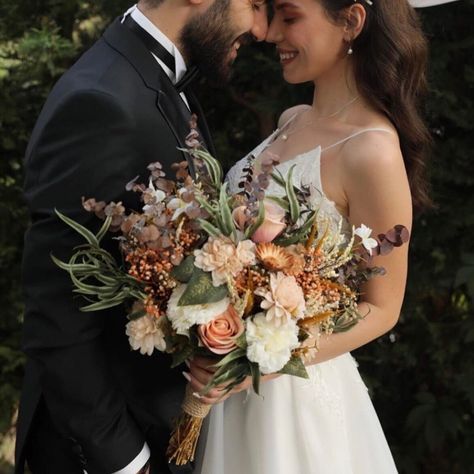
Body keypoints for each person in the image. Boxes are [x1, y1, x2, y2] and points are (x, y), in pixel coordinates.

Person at [15, 1, 268, 473]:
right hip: (106, 448)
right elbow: (56, 315)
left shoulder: (156, 75)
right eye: (253, 4)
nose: (261, 27)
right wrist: (127, 461)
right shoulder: (98, 99)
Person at [188, 0, 432, 472]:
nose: (272, 33)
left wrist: (261, 357)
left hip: (294, 402)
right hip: (231, 396)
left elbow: (382, 308)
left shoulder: (372, 152)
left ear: (351, 21)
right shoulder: (292, 119)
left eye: (290, 16)